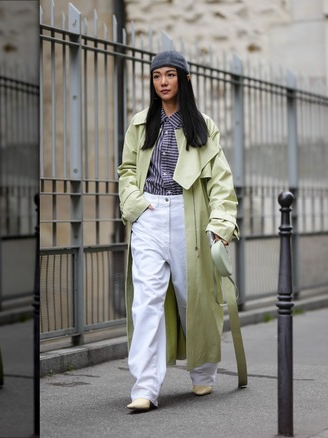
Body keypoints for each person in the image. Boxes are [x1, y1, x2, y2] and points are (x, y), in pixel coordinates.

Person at [117, 50, 239, 411]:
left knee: (194, 297)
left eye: (170, 75)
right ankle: (145, 387)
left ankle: (202, 372)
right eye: (157, 77)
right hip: (149, 214)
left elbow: (220, 180)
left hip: (190, 217)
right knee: (147, 301)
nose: (163, 82)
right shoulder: (140, 123)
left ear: (184, 80)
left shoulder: (203, 125)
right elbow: (126, 170)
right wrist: (135, 203)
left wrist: (221, 223)